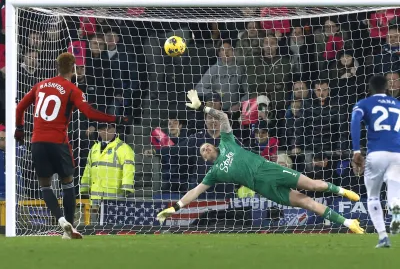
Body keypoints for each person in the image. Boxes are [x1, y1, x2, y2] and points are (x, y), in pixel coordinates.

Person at [156, 90, 364, 235]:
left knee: (313, 185)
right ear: (205, 158)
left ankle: (341, 191)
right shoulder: (215, 173)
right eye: (203, 150)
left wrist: (202, 107)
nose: (206, 148)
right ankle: (349, 223)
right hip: (265, 188)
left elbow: (223, 116)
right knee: (307, 202)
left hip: (270, 170)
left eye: (206, 146)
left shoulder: (227, 142)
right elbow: (195, 192)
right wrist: (175, 207)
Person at [14, 53, 132, 240]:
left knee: (45, 186)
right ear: (74, 68)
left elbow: (19, 107)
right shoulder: (72, 89)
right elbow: (89, 113)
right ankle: (68, 226)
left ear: (56, 66)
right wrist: (116, 119)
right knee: (67, 182)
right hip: (58, 142)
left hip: (37, 141)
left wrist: (19, 129)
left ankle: (60, 219)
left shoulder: (40, 85)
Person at [351, 75, 400, 248]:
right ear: (386, 87)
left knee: (373, 196)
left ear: (370, 88)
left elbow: (355, 120)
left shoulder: (364, 103)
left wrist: (357, 150)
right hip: (397, 154)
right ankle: (396, 212)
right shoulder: (397, 104)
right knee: (394, 190)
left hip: (376, 153)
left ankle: (382, 236)